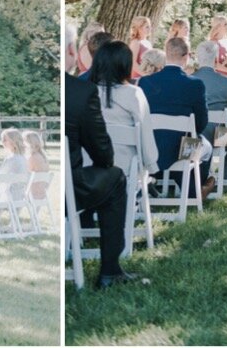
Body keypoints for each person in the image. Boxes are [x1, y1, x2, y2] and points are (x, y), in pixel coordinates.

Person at [68, 53, 142, 289]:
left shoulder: (84, 88)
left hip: (57, 186)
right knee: (115, 178)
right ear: (71, 51)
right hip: (71, 187)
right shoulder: (79, 92)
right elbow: (102, 151)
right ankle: (110, 271)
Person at [90, 40, 155, 245]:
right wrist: (150, 165)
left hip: (87, 168)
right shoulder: (134, 94)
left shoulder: (85, 91)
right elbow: (145, 135)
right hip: (125, 170)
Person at [138, 42, 212, 188]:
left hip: (150, 147)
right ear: (186, 57)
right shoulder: (195, 84)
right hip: (182, 150)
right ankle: (197, 188)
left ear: (166, 54)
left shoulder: (145, 82)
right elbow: (201, 123)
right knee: (207, 147)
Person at [192, 40, 227, 169]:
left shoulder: (189, 80)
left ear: (198, 58)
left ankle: (198, 175)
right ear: (216, 58)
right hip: (220, 136)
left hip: (194, 134)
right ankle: (221, 177)